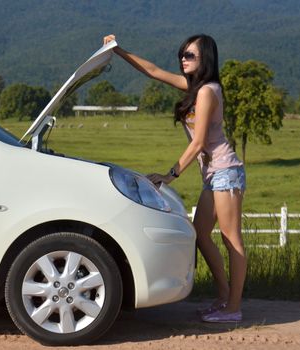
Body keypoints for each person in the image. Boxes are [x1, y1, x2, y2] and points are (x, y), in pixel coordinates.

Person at [103, 34, 247, 323]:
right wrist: (118, 51)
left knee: (232, 239)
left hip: (226, 172)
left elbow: (199, 142)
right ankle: (224, 298)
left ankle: (233, 307)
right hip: (213, 175)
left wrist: (170, 176)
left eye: (190, 55)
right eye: (182, 54)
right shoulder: (195, 88)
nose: (183, 59)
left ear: (205, 58)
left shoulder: (207, 91)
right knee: (202, 236)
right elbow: (154, 71)